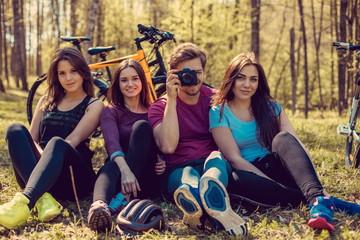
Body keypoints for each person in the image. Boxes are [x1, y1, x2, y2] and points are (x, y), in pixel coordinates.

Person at [209, 52, 360, 231]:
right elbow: (235, 159)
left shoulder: (270, 106)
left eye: (253, 79)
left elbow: (295, 143)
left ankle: (318, 199)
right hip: (251, 174)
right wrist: (272, 185)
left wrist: (314, 181)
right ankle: (324, 201)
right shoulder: (218, 111)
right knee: (236, 179)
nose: (247, 84)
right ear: (231, 79)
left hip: (281, 166)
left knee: (282, 139)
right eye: (241, 78)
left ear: (259, 82)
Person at [148, 43, 247, 236]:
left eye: (197, 72)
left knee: (216, 161)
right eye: (186, 73)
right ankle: (195, 193)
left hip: (213, 161)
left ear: (203, 72)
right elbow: (167, 146)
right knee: (185, 174)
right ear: (173, 75)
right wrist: (172, 98)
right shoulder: (160, 107)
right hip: (176, 168)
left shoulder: (217, 100)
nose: (193, 78)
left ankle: (208, 188)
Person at [1, 47, 104, 230]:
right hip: (39, 175)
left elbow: (73, 140)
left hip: (73, 177)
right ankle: (43, 199)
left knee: (58, 142)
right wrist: (41, 161)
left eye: (73, 71)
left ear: (83, 72)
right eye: (62, 73)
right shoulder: (46, 100)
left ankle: (26, 202)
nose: (68, 78)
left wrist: (43, 156)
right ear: (56, 76)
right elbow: (31, 139)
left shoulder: (94, 105)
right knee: (14, 129)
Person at [87, 59, 166, 232]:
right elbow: (112, 143)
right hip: (119, 177)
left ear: (142, 82)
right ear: (118, 84)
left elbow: (162, 142)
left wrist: (163, 159)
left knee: (142, 127)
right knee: (109, 166)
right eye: (124, 80)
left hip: (144, 181)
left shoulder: (153, 110)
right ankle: (99, 207)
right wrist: (126, 171)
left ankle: (124, 198)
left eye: (135, 78)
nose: (130, 84)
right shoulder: (111, 111)